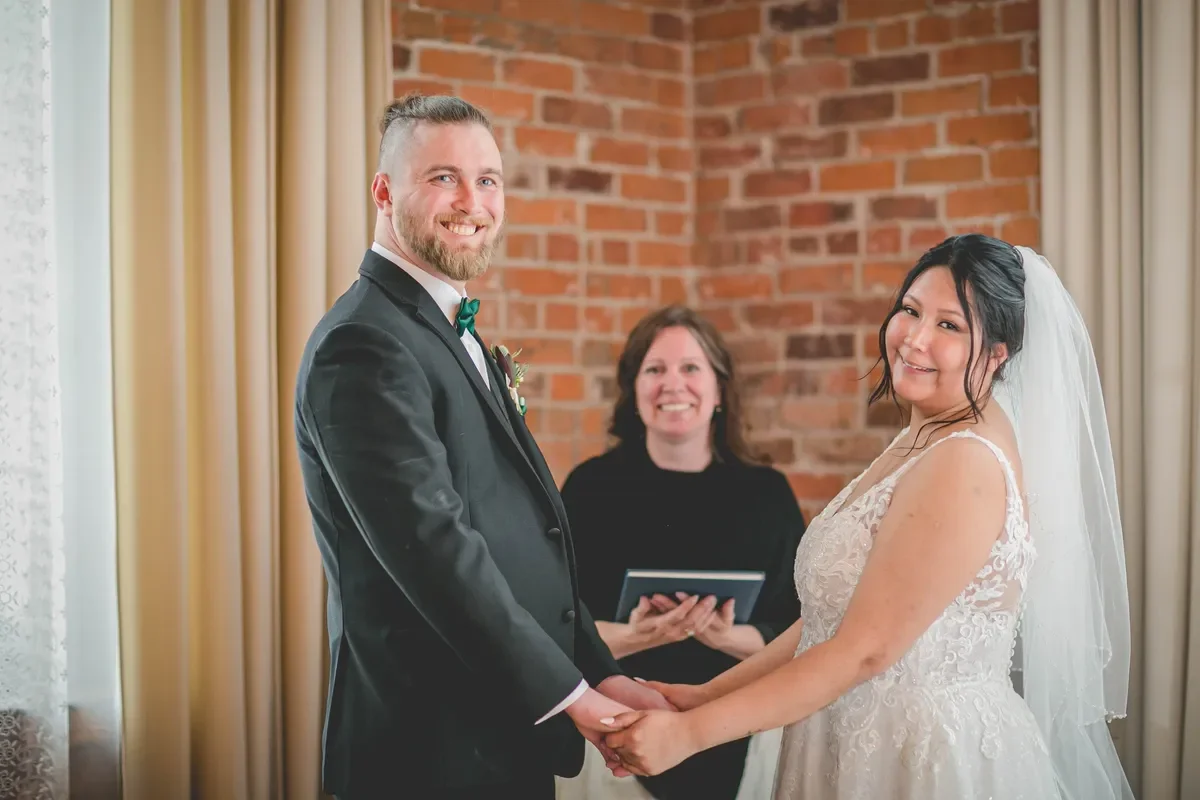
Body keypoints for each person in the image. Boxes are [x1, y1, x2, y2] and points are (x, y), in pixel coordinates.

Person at [602, 234, 1134, 800]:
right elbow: (830, 621)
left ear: (997, 353)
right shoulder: (920, 436)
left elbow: (864, 649)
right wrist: (707, 696)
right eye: (910, 310)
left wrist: (690, 734)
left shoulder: (965, 461)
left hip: (918, 757)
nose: (915, 339)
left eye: (949, 326)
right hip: (846, 734)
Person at [292, 93, 669, 800]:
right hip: (427, 751)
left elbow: (515, 543)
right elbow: (437, 553)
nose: (473, 200)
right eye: (443, 177)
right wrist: (576, 698)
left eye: (488, 179)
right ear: (383, 191)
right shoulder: (363, 345)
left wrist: (601, 670)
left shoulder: (444, 330)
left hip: (504, 731)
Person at [559, 306, 806, 799]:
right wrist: (631, 637)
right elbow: (558, 623)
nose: (673, 385)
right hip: (617, 734)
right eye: (655, 370)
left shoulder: (767, 494)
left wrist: (728, 637)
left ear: (719, 390)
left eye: (691, 368)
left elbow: (800, 629)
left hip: (740, 732)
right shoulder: (590, 489)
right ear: (633, 391)